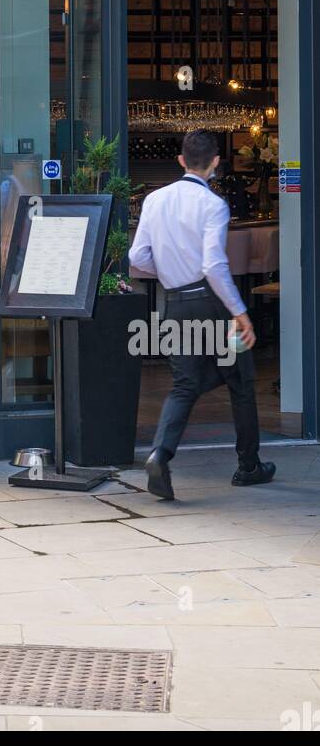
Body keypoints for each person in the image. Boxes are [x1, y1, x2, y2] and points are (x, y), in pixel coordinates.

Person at [128, 129, 274, 501]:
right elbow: (213, 264)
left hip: (175, 302)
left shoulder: (154, 199)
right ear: (214, 163)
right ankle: (248, 466)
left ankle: (161, 454)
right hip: (211, 303)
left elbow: (137, 258)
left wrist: (170, 272)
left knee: (184, 384)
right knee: (241, 380)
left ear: (180, 160)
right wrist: (239, 312)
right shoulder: (213, 204)